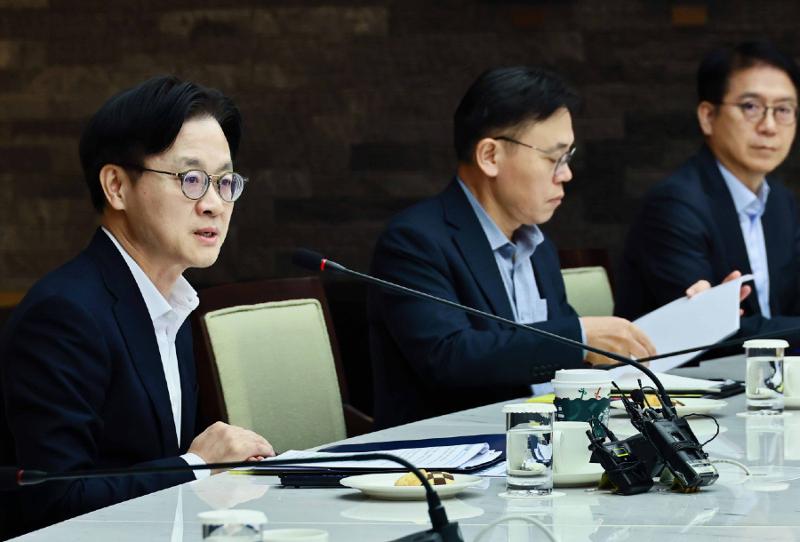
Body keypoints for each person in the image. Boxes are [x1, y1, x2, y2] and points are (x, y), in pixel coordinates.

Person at [0, 76, 274, 537]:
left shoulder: (172, 300)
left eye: (225, 182)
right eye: (191, 179)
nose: (214, 204)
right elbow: (54, 502)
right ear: (116, 187)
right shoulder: (64, 316)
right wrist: (196, 466)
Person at [369, 66, 657, 429]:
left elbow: (559, 360)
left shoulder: (538, 245)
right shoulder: (415, 241)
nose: (565, 174)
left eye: (568, 157)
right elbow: (449, 358)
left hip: (542, 444)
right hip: (448, 458)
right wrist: (581, 340)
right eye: (554, 158)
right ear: (490, 156)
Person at [615, 40, 800, 342]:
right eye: (751, 107)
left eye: (783, 110)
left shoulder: (781, 203)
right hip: (681, 381)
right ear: (707, 117)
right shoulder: (674, 205)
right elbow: (708, 332)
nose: (769, 126)